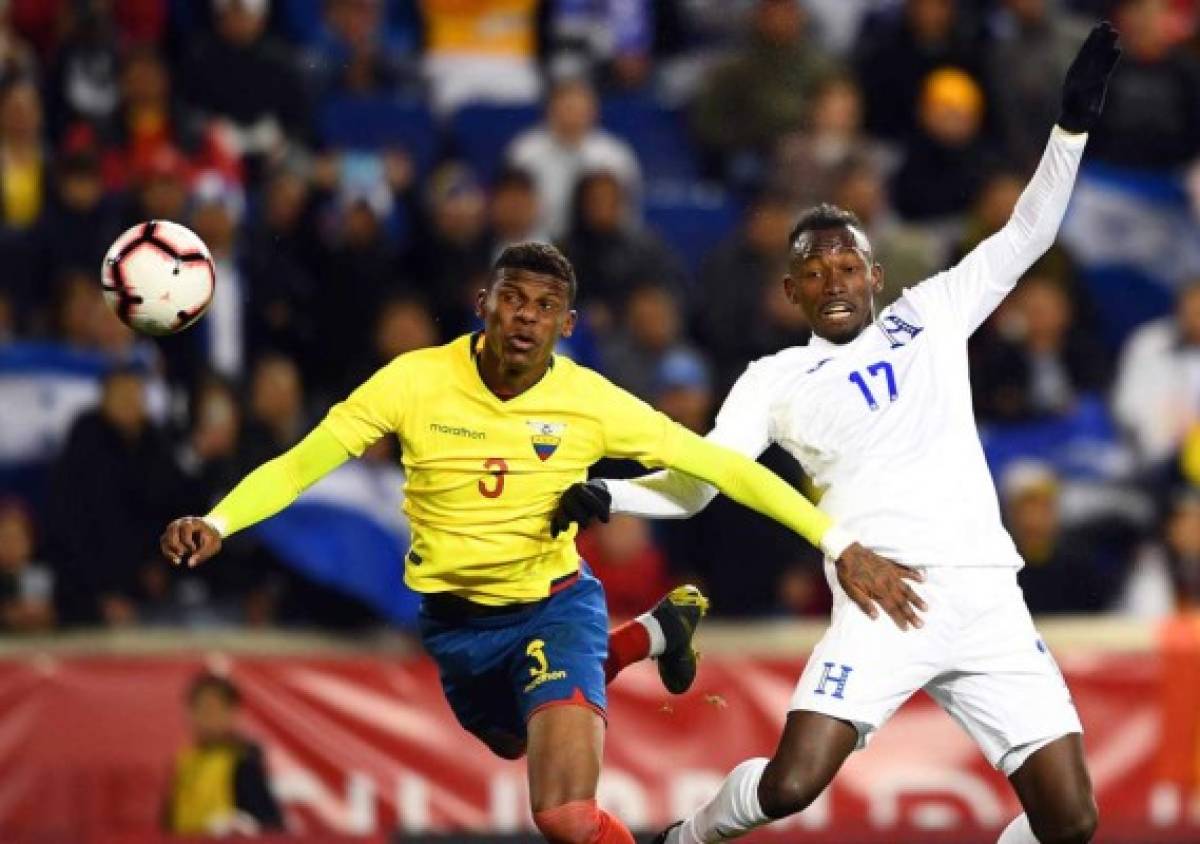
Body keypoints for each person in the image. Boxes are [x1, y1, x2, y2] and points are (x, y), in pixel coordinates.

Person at [555, 23, 1121, 844]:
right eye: (813, 273)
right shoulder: (774, 379)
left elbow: (1027, 233)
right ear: (790, 291)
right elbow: (704, 480)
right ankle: (688, 837)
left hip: (989, 596)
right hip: (882, 596)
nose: (833, 281)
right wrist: (609, 492)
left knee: (1071, 823)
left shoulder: (933, 313)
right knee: (789, 786)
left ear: (876, 274)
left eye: (846, 266)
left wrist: (1069, 129)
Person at [160, 242, 896, 844]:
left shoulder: (591, 403)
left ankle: (636, 650)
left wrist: (836, 542)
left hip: (555, 605)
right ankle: (652, 636)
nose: (525, 317)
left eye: (545, 307)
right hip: (455, 626)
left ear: (566, 324)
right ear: (484, 304)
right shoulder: (413, 382)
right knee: (512, 739)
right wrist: (218, 522)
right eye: (513, 298)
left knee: (565, 816)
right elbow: (299, 464)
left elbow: (727, 469)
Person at [163, 672, 283, 835]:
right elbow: (169, 822)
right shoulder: (184, 761)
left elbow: (271, 826)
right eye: (198, 708)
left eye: (213, 709)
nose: (206, 717)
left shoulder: (243, 763)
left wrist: (241, 826)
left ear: (232, 713)